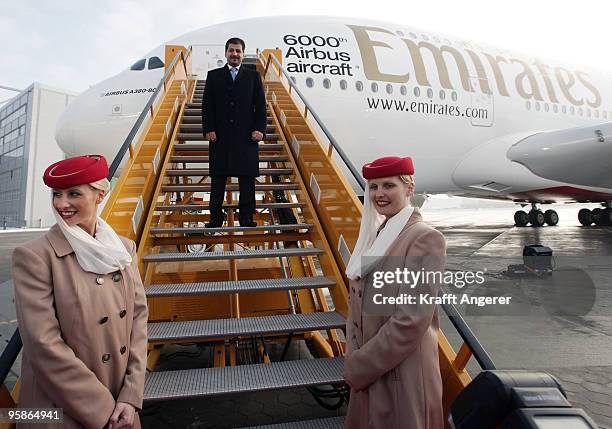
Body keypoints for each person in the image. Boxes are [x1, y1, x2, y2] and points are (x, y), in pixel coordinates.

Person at [11, 155, 148, 429]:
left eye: (74, 193)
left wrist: (131, 395)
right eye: (56, 194)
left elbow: (138, 321)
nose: (62, 204)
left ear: (100, 194)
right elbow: (42, 344)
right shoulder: (35, 256)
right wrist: (104, 410)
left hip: (120, 401)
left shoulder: (123, 249)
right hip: (61, 408)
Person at [343, 156, 446, 429]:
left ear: (409, 189)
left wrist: (360, 365)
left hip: (401, 373)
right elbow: (357, 306)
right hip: (369, 368)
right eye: (373, 187)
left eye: (389, 186)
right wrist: (353, 353)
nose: (379, 194)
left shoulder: (424, 238)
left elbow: (411, 319)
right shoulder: (379, 234)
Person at [202, 36, 267, 228]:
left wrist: (259, 129)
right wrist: (209, 129)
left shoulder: (253, 77)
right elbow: (207, 106)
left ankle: (246, 218)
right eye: (231, 50)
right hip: (219, 136)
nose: (235, 54)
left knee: (247, 178)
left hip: (246, 136)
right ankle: (215, 219)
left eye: (238, 51)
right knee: (218, 178)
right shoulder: (213, 76)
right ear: (226, 53)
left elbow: (260, 106)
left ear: (243, 53)